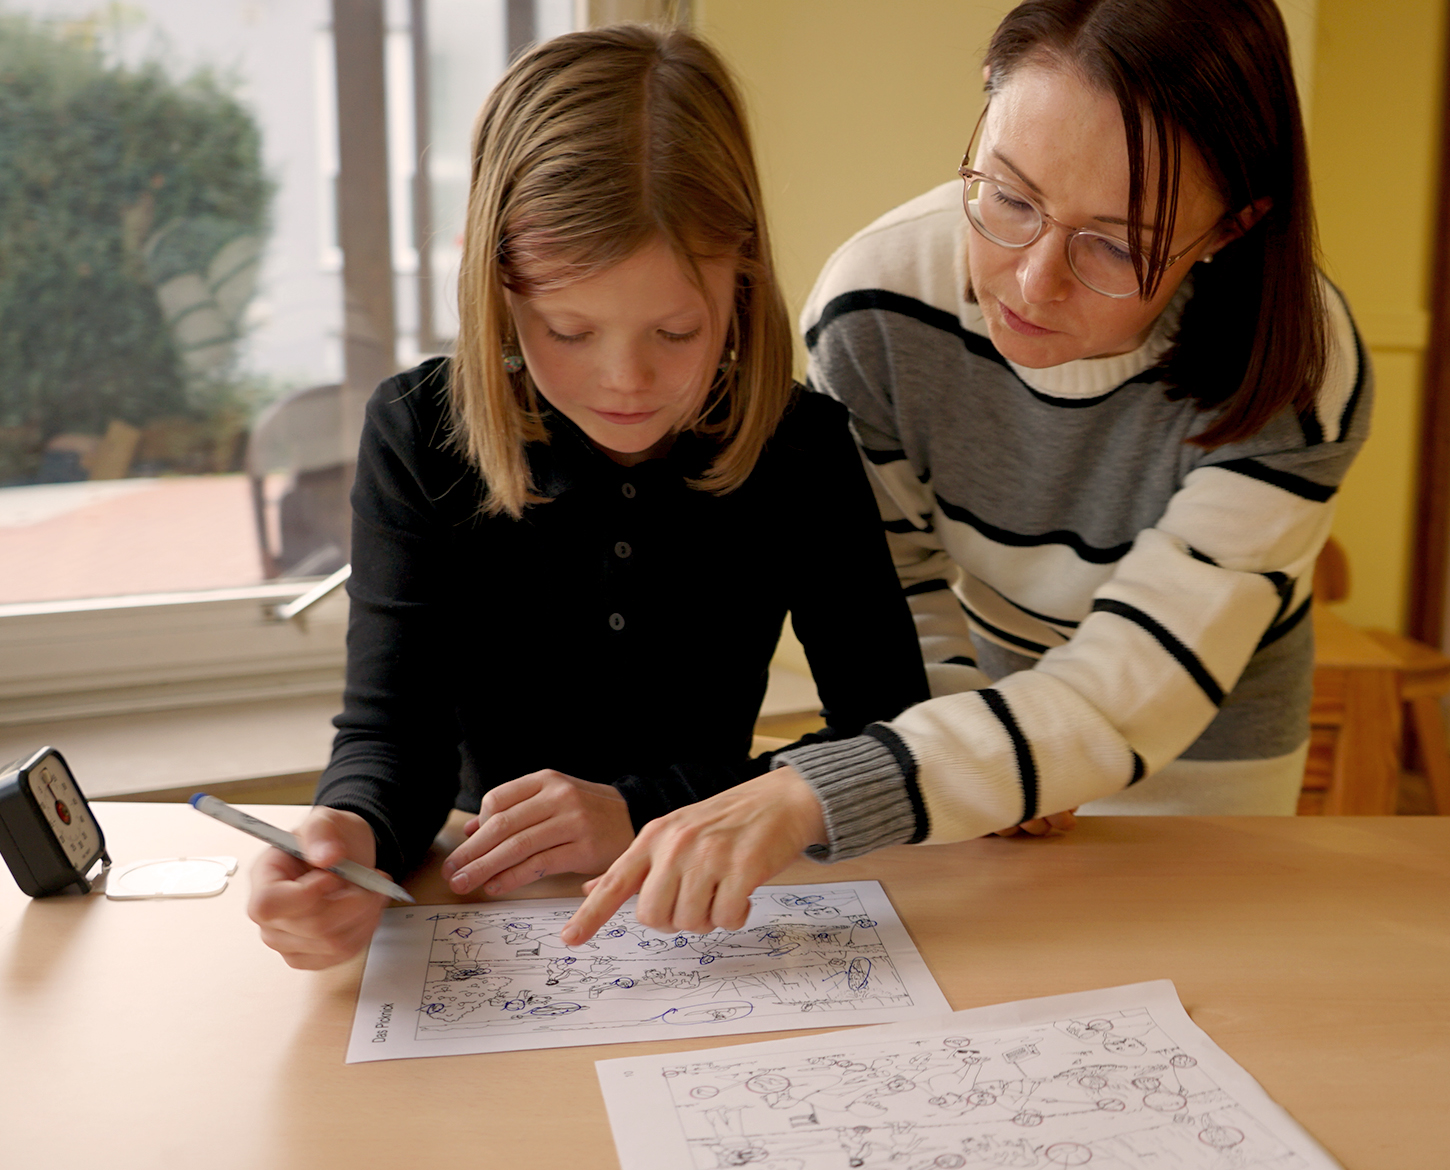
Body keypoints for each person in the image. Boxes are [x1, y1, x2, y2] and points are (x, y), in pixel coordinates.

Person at [562, 0, 1370, 945]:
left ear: (1234, 225)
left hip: (1202, 755)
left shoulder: (1296, 370)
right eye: (1011, 198)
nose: (1032, 281)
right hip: (968, 739)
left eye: (1116, 244)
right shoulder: (874, 307)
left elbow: (1132, 686)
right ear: (987, 102)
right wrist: (976, 764)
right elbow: (902, 588)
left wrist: (811, 792)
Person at [247, 25, 927, 970]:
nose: (627, 382)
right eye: (569, 330)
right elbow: (394, 736)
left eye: (677, 331)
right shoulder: (418, 434)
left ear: (742, 278)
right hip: (492, 912)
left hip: (721, 920)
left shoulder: (799, 442)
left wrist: (648, 810)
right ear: (497, 288)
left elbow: (886, 732)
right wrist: (348, 834)